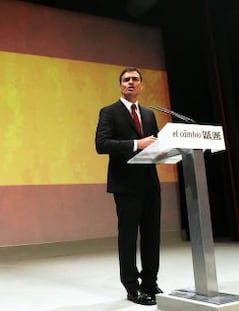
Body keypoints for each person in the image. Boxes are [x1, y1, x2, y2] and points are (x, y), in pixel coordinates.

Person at [95, 67, 163, 305]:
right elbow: (101, 144)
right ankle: (133, 288)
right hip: (126, 185)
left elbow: (154, 145)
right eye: (126, 80)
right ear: (121, 86)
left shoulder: (148, 114)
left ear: (141, 85)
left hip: (150, 184)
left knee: (152, 236)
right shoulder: (110, 112)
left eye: (135, 79)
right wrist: (136, 143)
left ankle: (150, 283)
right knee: (128, 237)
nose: (131, 83)